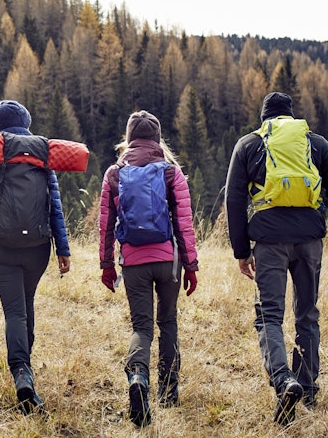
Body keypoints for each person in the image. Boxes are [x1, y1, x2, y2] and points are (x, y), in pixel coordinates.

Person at [225, 91, 328, 425]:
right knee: (307, 315)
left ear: (265, 119)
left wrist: (242, 251)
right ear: (292, 116)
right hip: (310, 240)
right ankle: (308, 390)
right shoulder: (317, 144)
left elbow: (233, 199)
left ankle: (284, 380)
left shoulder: (249, 144)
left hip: (269, 242)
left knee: (269, 315)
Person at [98, 110, 199, 427]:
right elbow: (184, 224)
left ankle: (138, 377)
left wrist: (106, 266)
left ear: (129, 139)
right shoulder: (171, 172)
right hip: (168, 262)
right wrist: (191, 266)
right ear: (157, 139)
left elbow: (105, 226)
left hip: (133, 262)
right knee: (168, 322)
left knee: (142, 328)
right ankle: (169, 391)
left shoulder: (115, 174)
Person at [0, 100, 72, 413]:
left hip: (2, 247)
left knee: (14, 311)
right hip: (38, 248)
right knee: (26, 305)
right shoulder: (43, 156)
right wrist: (63, 249)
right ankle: (25, 367)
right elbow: (54, 206)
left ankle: (21, 372)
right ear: (26, 123)